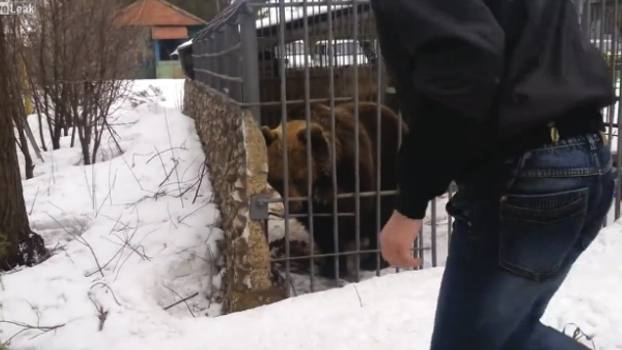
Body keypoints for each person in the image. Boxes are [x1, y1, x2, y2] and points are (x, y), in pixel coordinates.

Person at [371, 0, 616, 349]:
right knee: (508, 337)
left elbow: (466, 66)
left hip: (528, 170)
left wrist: (410, 203)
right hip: (583, 154)